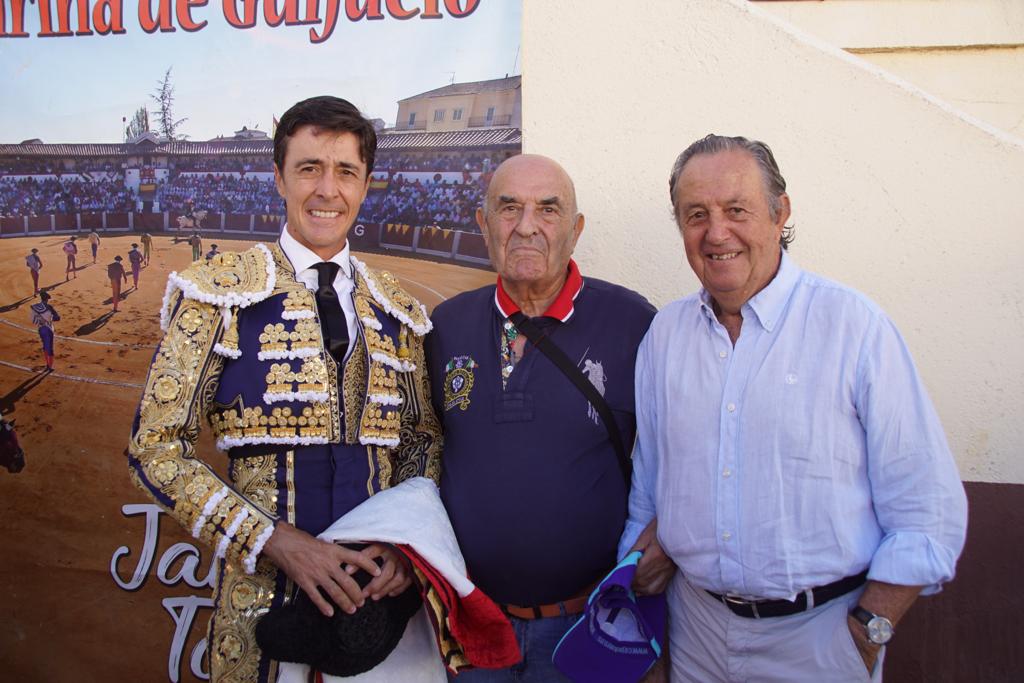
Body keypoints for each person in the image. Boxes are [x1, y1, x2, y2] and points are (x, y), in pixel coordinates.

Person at [620, 135, 968, 682]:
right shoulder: (665, 335)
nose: (716, 233)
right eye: (695, 215)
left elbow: (928, 512)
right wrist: (645, 630)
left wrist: (866, 633)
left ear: (781, 212)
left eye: (737, 210)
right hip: (695, 633)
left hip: (822, 639)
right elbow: (649, 491)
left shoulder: (854, 328)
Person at [127, 95, 442, 683]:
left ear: (366, 184)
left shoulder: (398, 311)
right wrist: (274, 541)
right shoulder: (215, 294)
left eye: (345, 171)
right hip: (260, 603)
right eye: (309, 169)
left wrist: (403, 545)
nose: (328, 189)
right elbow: (156, 448)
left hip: (380, 611)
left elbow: (421, 442)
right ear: (278, 178)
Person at [427, 154, 657, 682]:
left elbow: (684, 451)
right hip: (473, 627)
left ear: (575, 231)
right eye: (509, 208)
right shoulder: (448, 325)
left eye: (547, 210)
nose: (526, 226)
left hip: (585, 626)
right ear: (484, 225)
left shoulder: (634, 323)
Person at [29, 291, 60, 371]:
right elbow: (57, 318)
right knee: (50, 347)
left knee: (45, 346)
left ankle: (47, 364)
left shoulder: (35, 307)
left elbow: (32, 319)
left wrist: (40, 321)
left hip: (41, 329)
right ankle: (49, 366)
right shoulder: (49, 307)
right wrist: (50, 319)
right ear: (47, 299)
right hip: (49, 329)